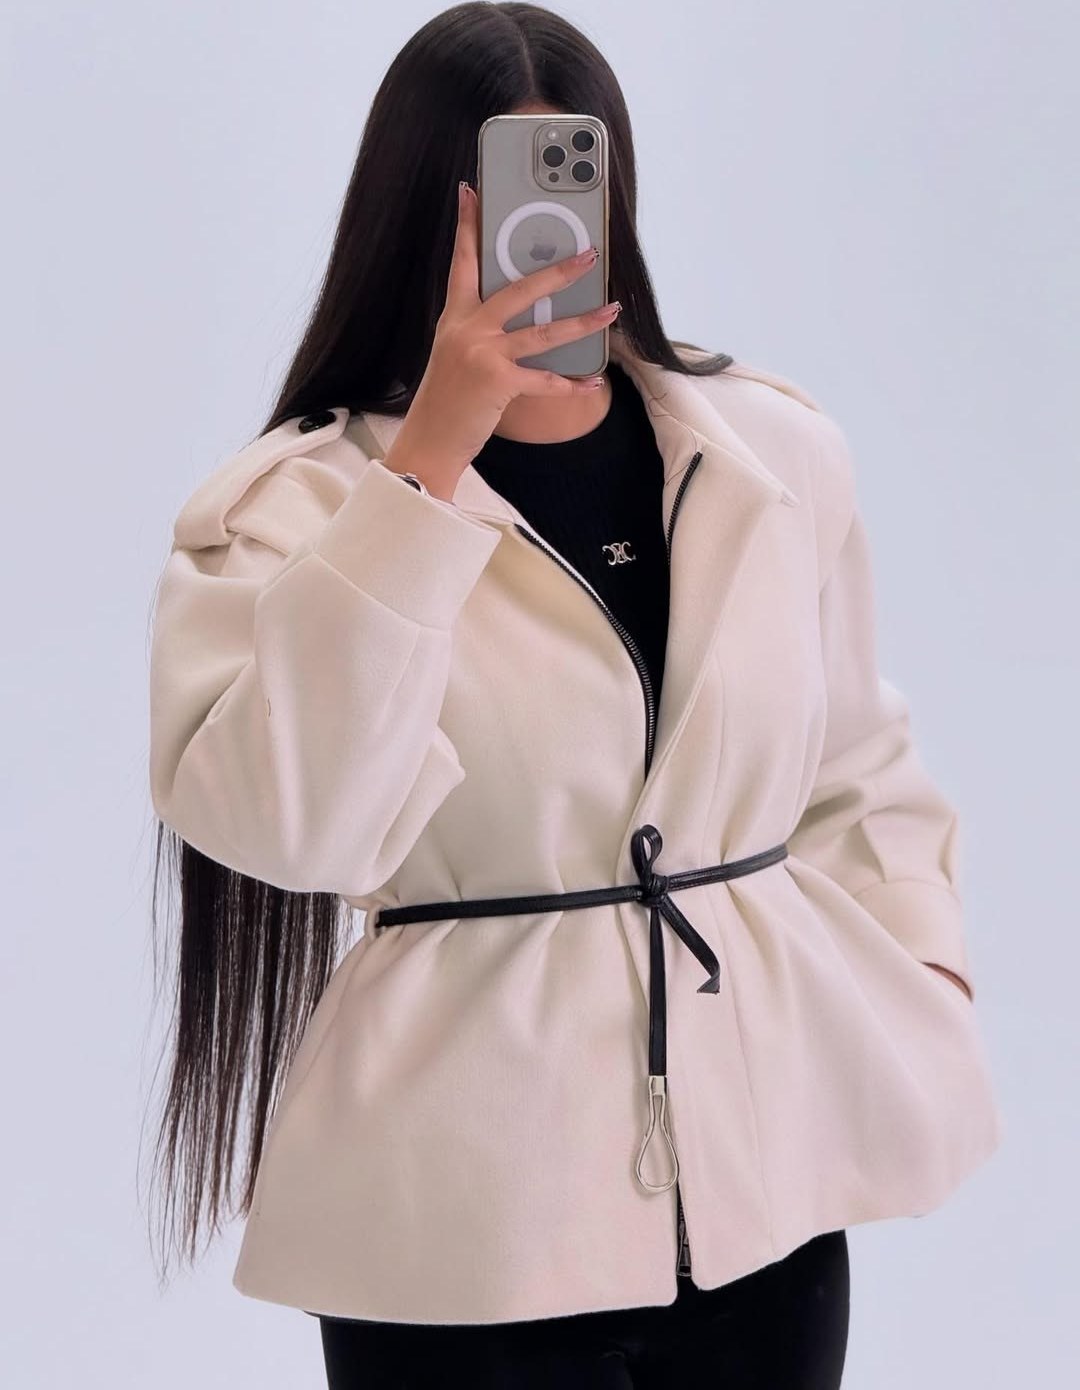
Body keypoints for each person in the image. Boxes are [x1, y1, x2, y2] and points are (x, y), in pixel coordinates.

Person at [144, 4, 1002, 1387]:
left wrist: (922, 965)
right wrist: (425, 472)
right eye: (497, 205)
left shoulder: (774, 456)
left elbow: (856, 764)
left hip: (764, 1200)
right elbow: (295, 825)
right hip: (459, 1226)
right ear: (420, 224)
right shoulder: (289, 512)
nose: (542, 244)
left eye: (571, 185)